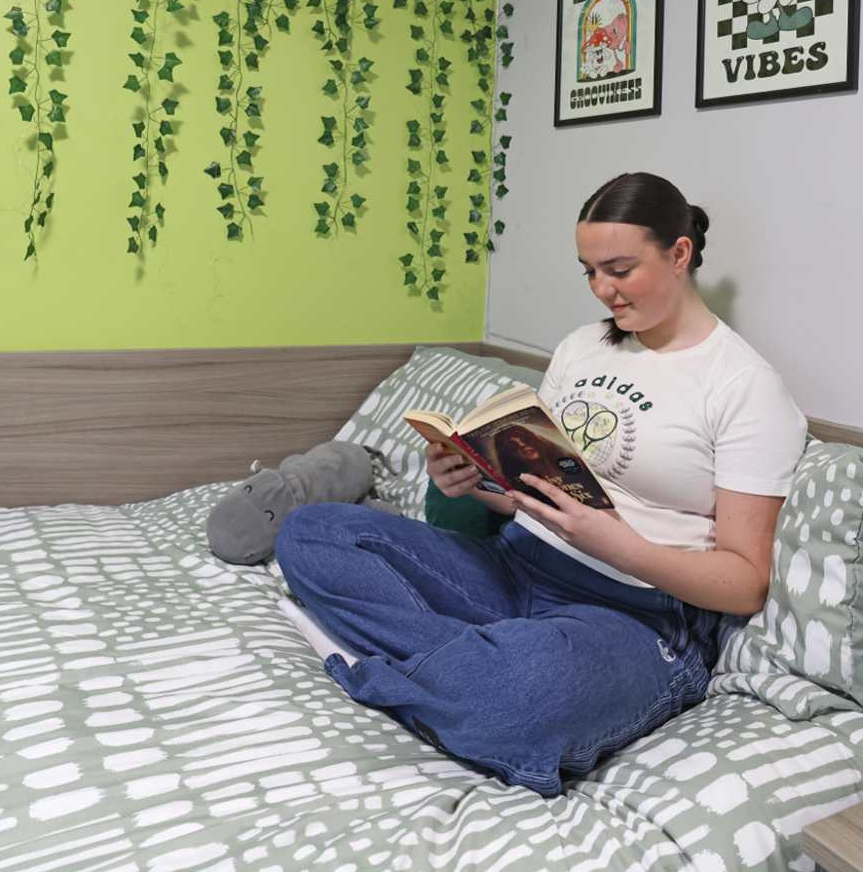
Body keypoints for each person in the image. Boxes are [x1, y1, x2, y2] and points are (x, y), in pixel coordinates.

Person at [275, 172, 807, 797]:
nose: (602, 289)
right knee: (312, 533)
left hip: (633, 614)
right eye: (588, 271)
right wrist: (473, 483)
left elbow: (745, 583)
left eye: (619, 269)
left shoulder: (743, 385)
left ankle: (427, 668)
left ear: (680, 254)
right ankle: (465, 667)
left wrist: (616, 545)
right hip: (516, 564)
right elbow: (537, 490)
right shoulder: (583, 348)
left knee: (518, 699)